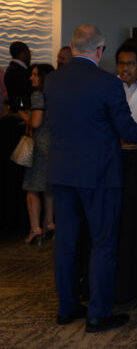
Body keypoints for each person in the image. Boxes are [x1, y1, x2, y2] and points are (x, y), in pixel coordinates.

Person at [45, 24, 137, 333]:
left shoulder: (52, 81)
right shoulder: (107, 83)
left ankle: (66, 308)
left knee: (65, 242)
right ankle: (98, 314)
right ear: (100, 51)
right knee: (103, 243)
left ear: (72, 46)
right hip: (100, 174)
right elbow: (124, 128)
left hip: (62, 173)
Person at [18, 64, 55, 244]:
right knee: (48, 189)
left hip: (39, 147)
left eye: (35, 75)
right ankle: (49, 223)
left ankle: (35, 228)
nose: (31, 78)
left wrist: (24, 116)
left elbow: (36, 122)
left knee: (32, 189)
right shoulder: (55, 94)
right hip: (54, 146)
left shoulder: (37, 95)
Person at [4, 41, 32, 111]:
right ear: (23, 53)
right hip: (21, 112)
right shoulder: (18, 71)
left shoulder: (11, 69)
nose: (30, 55)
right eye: (29, 52)